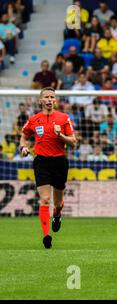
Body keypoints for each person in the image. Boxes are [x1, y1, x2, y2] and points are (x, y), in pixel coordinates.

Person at [19, 87, 77, 249]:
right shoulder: (34, 119)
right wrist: (23, 148)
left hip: (59, 162)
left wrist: (60, 135)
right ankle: (46, 236)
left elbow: (73, 142)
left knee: (58, 203)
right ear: (41, 101)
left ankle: (57, 215)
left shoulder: (64, 118)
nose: (50, 99)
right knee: (44, 199)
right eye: (47, 97)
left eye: (52, 97)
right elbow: (24, 137)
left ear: (55, 100)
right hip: (41, 161)